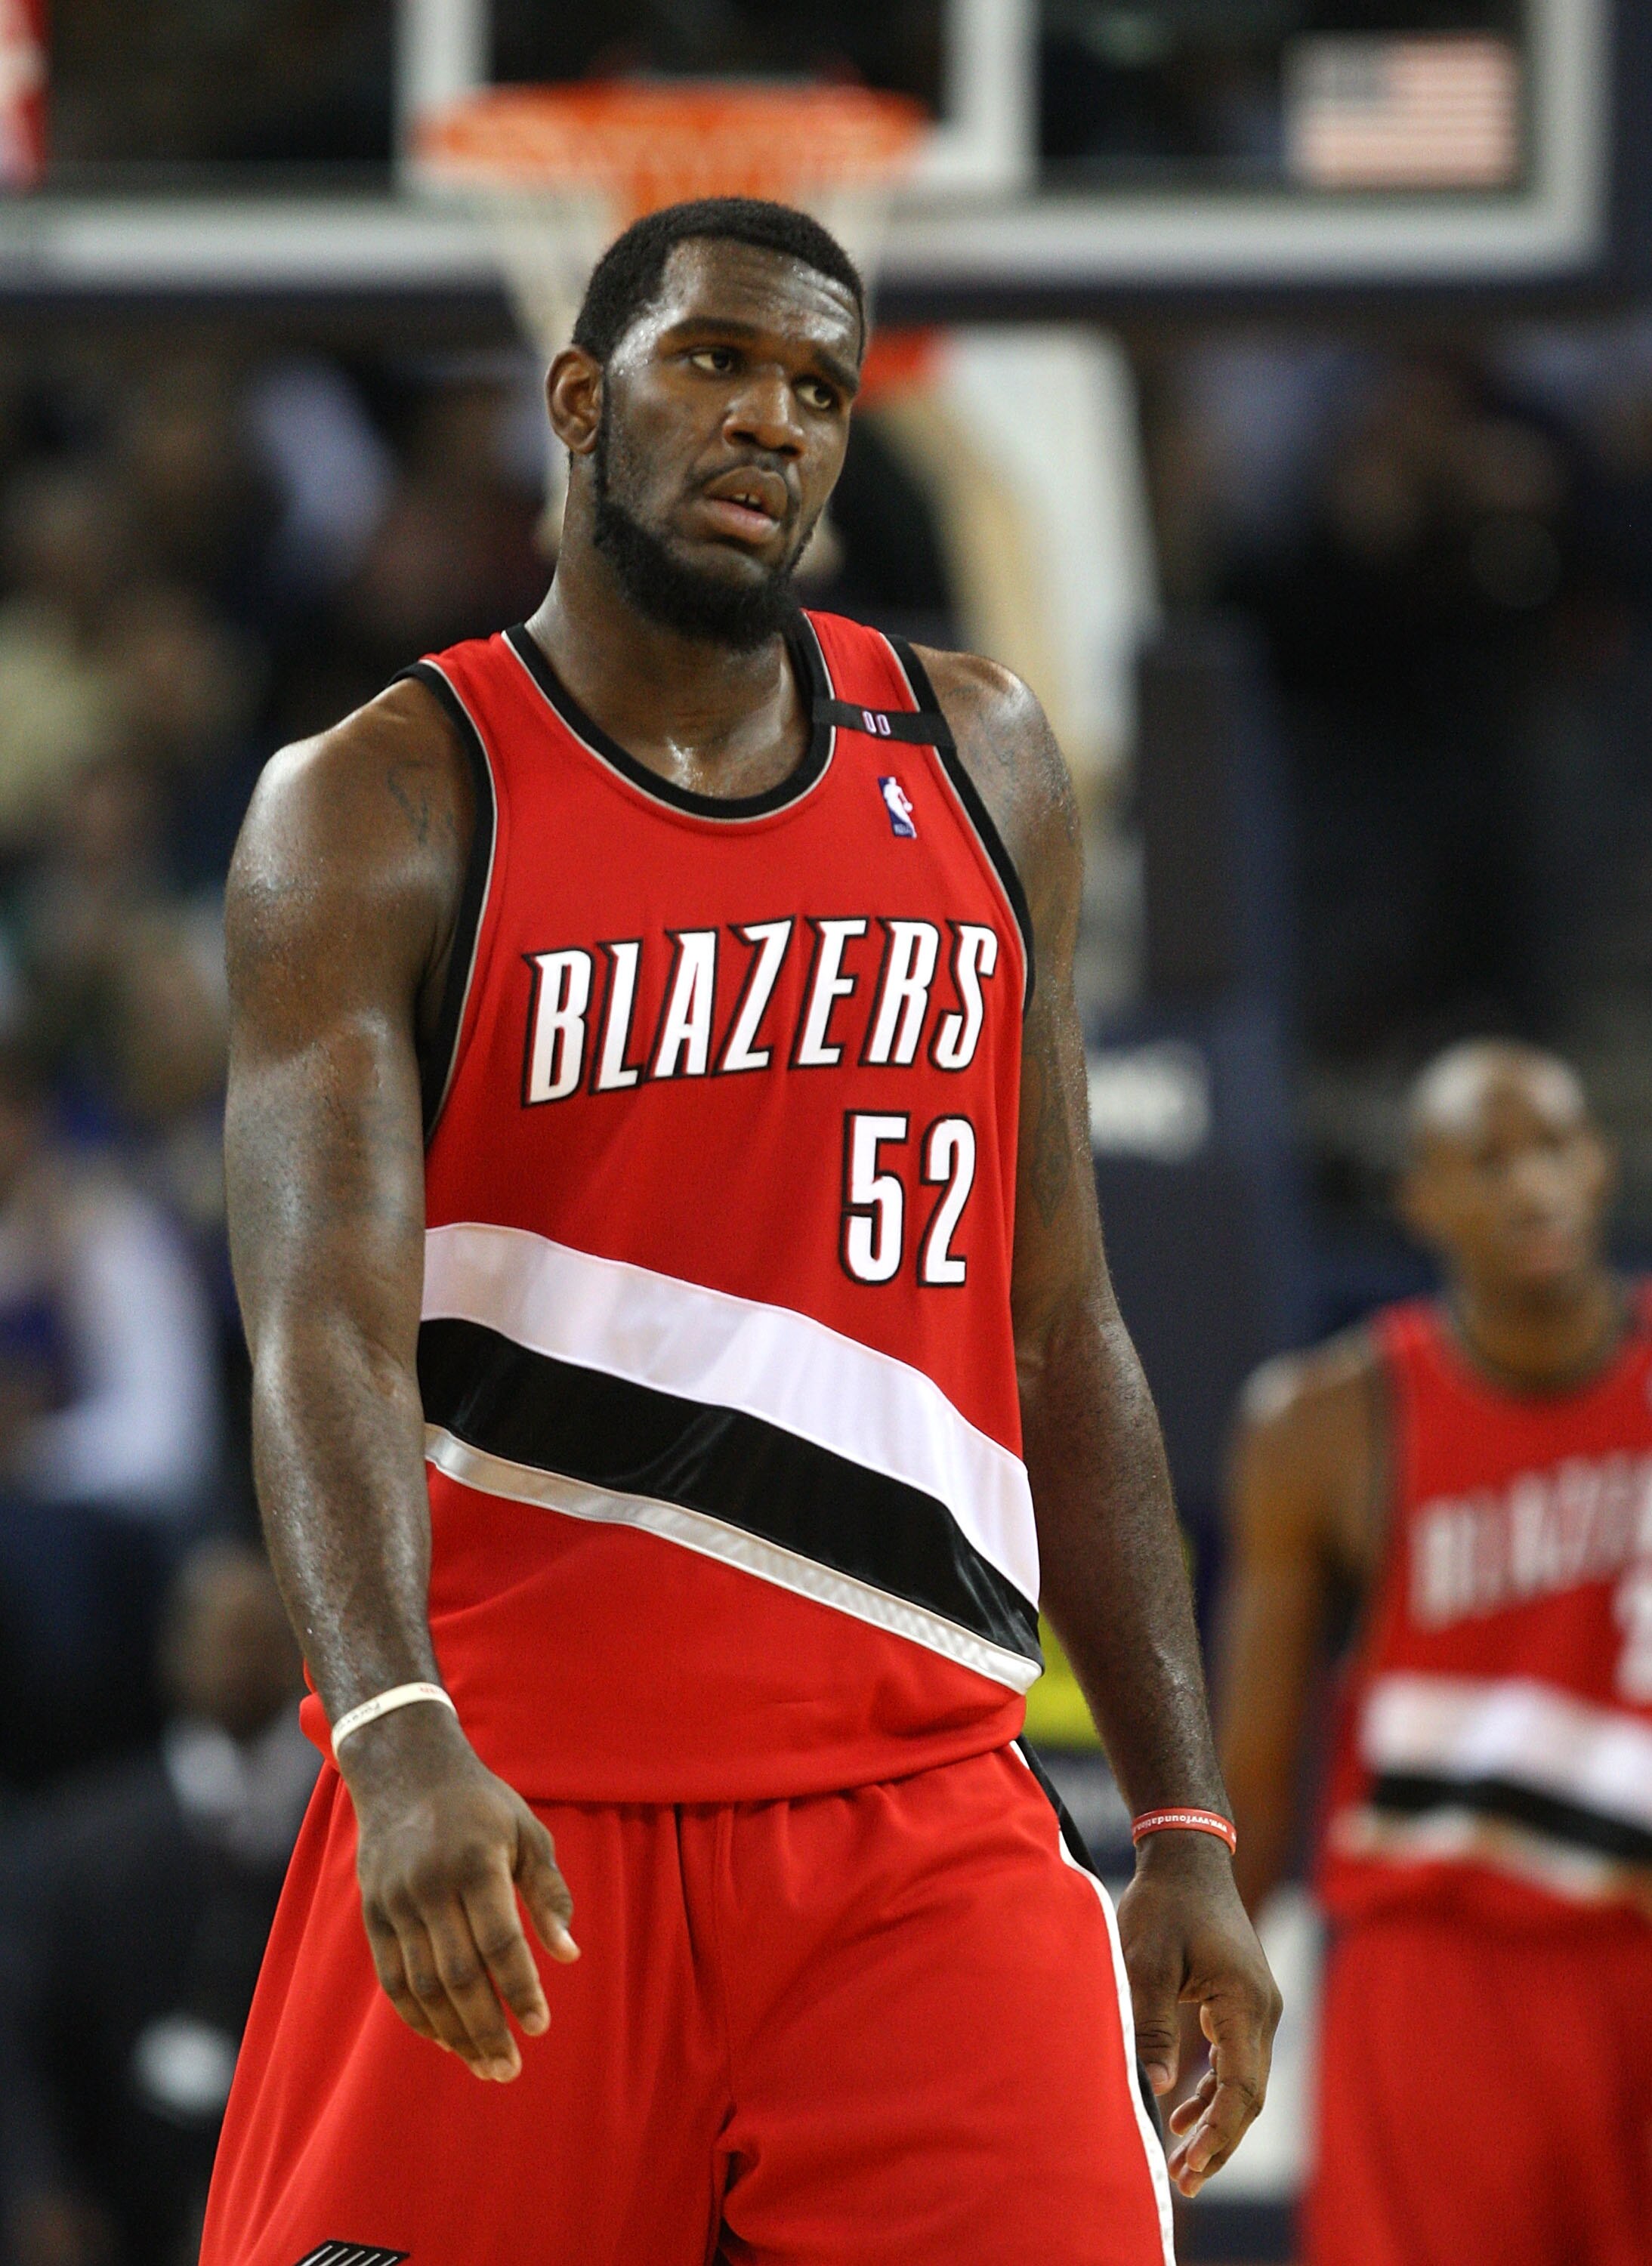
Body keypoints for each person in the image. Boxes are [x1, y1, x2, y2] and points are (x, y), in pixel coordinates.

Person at [202, 198, 1278, 2266]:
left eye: (813, 387)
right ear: (582, 401)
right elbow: (317, 1333)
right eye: (713, 364)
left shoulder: (978, 759)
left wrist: (1185, 1824)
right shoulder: (379, 804)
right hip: (522, 1813)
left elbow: (1063, 1326)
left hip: (920, 1819)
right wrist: (397, 1730)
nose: (769, 419)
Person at [1218, 1039, 1652, 2266]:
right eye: (1486, 1159)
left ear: (1601, 1162)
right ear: (1421, 1199)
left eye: (1554, 1147)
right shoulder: (1323, 1423)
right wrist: (1195, 2013)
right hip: (1435, 1984)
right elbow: (1252, 1776)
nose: (1530, 1187)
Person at [0, 1540, 314, 2266]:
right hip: (112, 2206)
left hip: (296, 2202)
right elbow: (23, 2030)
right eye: (212, 1632)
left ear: (300, 1643)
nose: (234, 1655)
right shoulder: (78, 1840)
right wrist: (38, 2190)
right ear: (172, 1650)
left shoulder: (360, 1835)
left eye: (256, 1632)